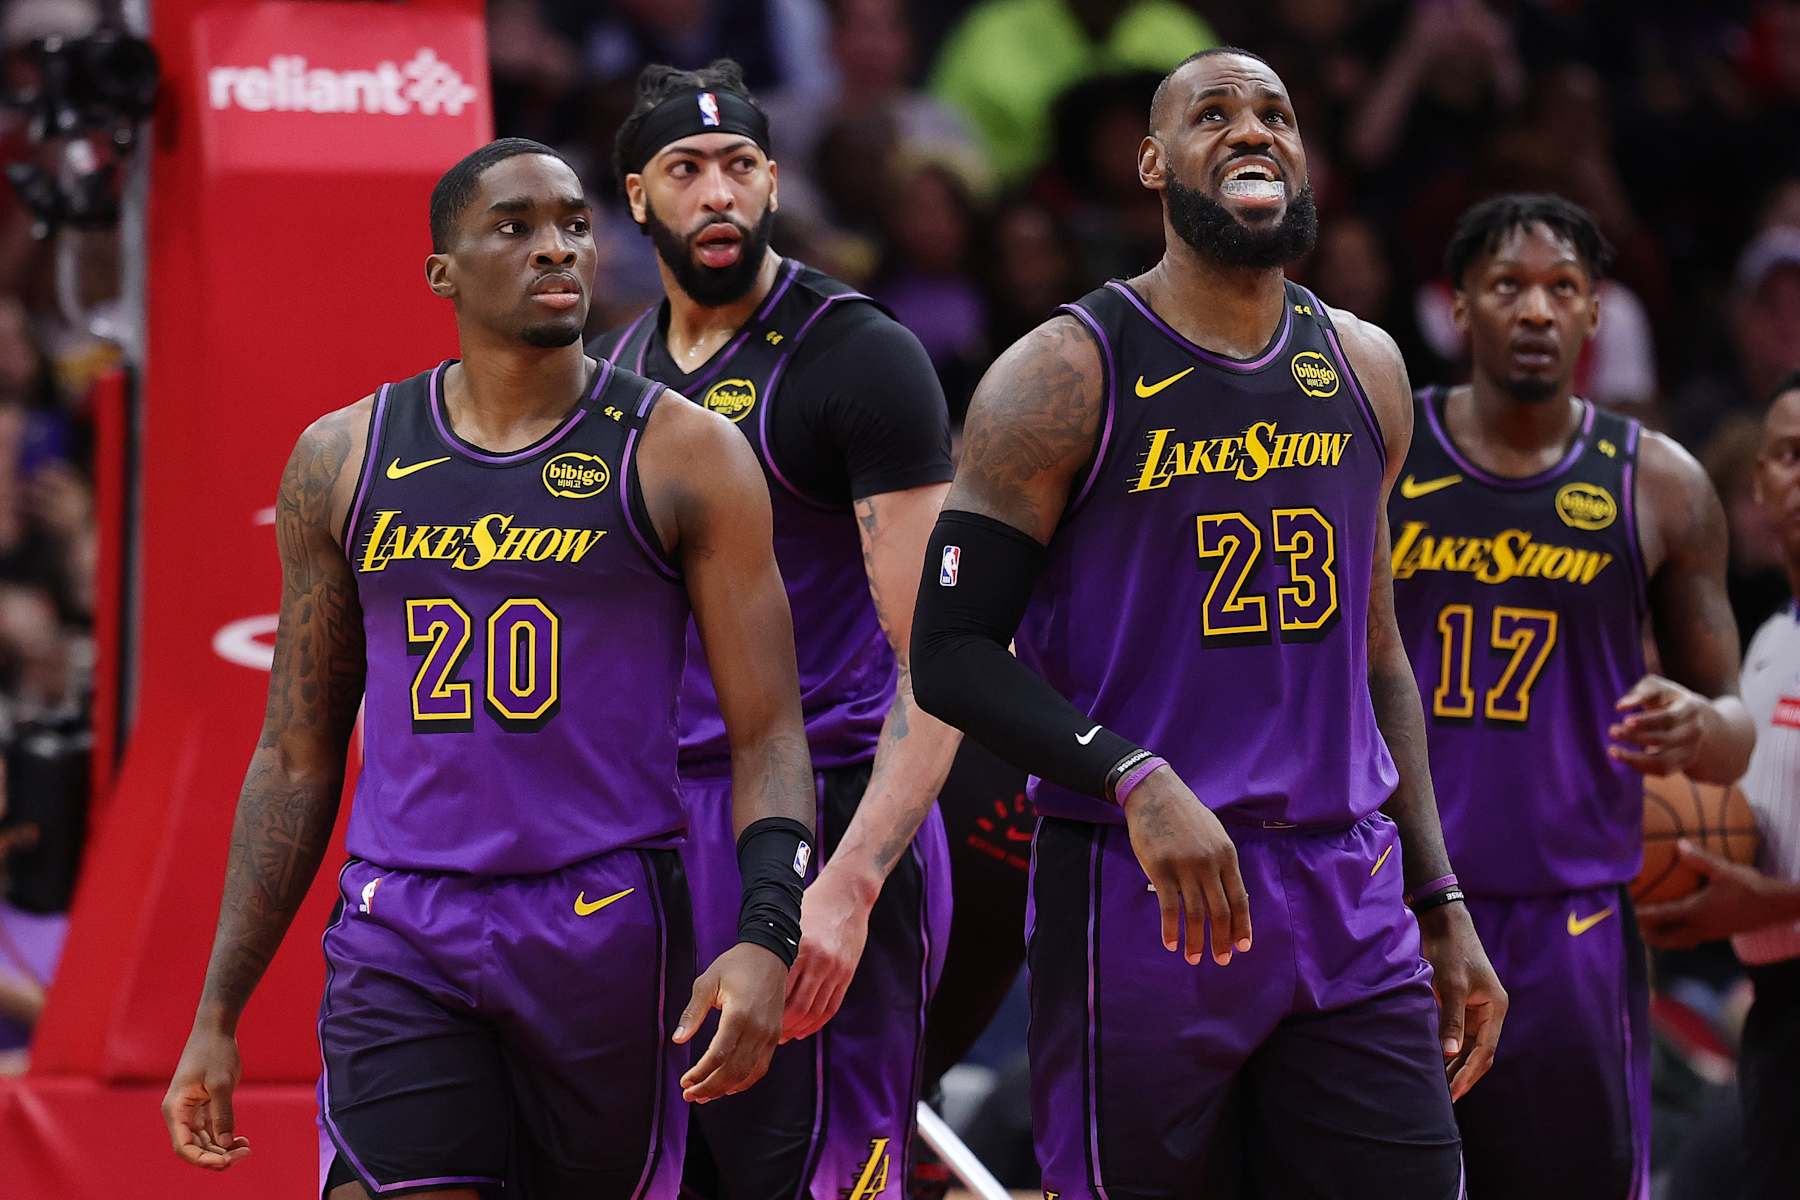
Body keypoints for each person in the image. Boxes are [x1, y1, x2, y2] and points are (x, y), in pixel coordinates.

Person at [159, 138, 818, 1200]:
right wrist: (217, 1012)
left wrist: (766, 935)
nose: (555, 247)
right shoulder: (343, 456)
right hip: (402, 924)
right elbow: (295, 754)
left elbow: (768, 733)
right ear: (443, 272)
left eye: (571, 223)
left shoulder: (683, 452)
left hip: (604, 923)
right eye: (514, 228)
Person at [911, 47, 1506, 1197]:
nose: (1253, 130)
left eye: (1277, 112)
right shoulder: (1062, 372)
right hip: (1145, 892)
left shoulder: (1366, 364)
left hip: (1350, 890)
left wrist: (1438, 899)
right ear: (1151, 163)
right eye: (1213, 113)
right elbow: (951, 655)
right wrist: (1134, 775)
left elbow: (1376, 652)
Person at [589, 62, 961, 1200]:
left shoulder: (857, 355)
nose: (719, 194)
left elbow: (941, 657)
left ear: (773, 179)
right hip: (670, 821)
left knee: (831, 1173)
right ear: (638, 197)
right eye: (686, 170)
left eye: (741, 166)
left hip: (832, 799)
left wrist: (847, 883)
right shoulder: (620, 374)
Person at [1389, 192, 1755, 1199]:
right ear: (1458, 306)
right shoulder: (1381, 459)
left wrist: (1699, 723)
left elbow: (1732, 731)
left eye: (1564, 289)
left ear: (1596, 313)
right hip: (1395, 902)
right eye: (1508, 285)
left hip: (1571, 921)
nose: (1537, 311)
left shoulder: (1663, 485)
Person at [1639, 368, 1800, 1200]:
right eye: (1786, 456)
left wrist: (1770, 908)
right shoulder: (1768, 642)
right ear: (1758, 487)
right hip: (1772, 1007)